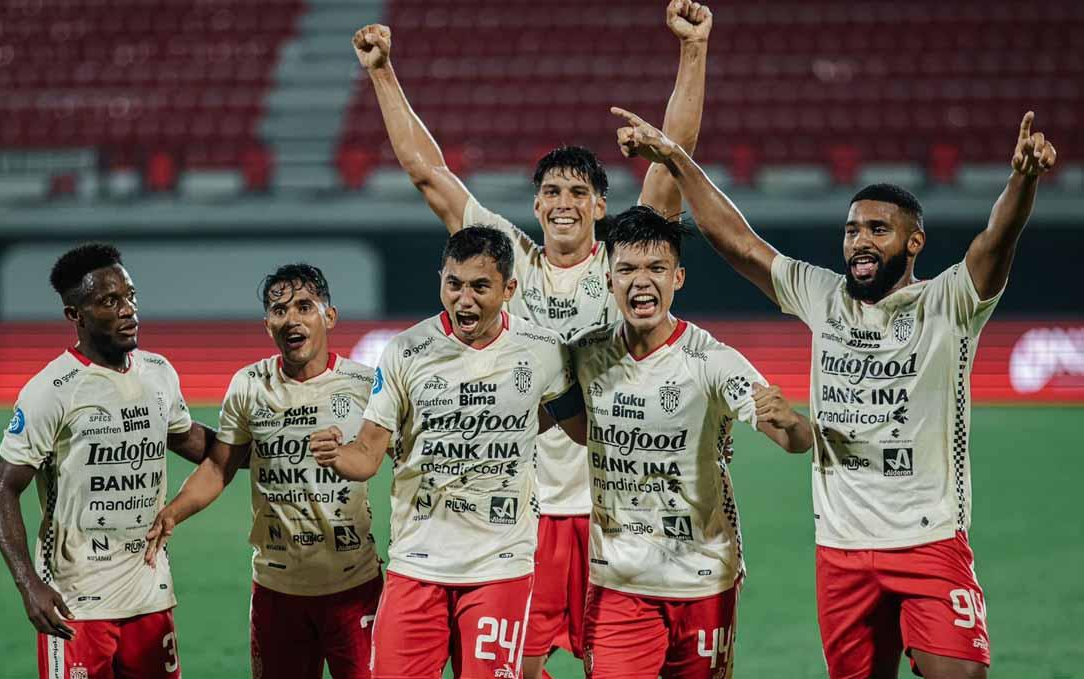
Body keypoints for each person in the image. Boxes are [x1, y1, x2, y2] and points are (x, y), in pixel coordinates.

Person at [611, 107, 1058, 678]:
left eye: (878, 229)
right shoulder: (824, 297)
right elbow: (738, 243)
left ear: (914, 240)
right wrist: (674, 158)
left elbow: (997, 240)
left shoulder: (949, 302)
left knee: (962, 673)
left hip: (929, 542)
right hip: (841, 551)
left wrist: (1022, 180)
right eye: (851, 230)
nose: (860, 241)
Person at [352, 3, 713, 674]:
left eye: (579, 190)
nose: (564, 201)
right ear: (537, 203)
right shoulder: (509, 259)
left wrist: (692, 53)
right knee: (517, 667)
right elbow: (429, 173)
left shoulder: (623, 263)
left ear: (602, 206)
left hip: (619, 504)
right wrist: (383, 75)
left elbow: (672, 167)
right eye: (551, 190)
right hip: (531, 515)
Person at [310, 226, 588, 679]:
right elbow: (366, 456)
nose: (464, 299)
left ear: (508, 289)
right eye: (454, 284)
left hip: (500, 563)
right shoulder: (406, 351)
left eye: (480, 286)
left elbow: (581, 428)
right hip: (417, 560)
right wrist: (336, 456)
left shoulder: (541, 351)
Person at [570, 205, 813, 678]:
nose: (642, 281)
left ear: (677, 277)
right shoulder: (584, 354)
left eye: (656, 268)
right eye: (628, 269)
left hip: (702, 578)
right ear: (608, 279)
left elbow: (794, 441)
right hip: (618, 581)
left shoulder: (712, 360)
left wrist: (790, 420)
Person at [143, 264, 383, 679]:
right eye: (279, 310)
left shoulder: (366, 384)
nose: (292, 318)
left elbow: (404, 457)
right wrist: (172, 512)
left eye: (305, 306)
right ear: (267, 324)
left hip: (355, 588)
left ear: (329, 316)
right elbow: (220, 466)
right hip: (277, 591)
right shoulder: (249, 385)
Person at [0, 242, 215, 679]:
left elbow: (194, 442)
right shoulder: (51, 389)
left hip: (150, 593)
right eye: (110, 301)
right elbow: (3, 487)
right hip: (76, 600)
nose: (129, 309)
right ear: (76, 315)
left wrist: (270, 442)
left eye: (130, 296)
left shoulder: (158, 372)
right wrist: (28, 583)